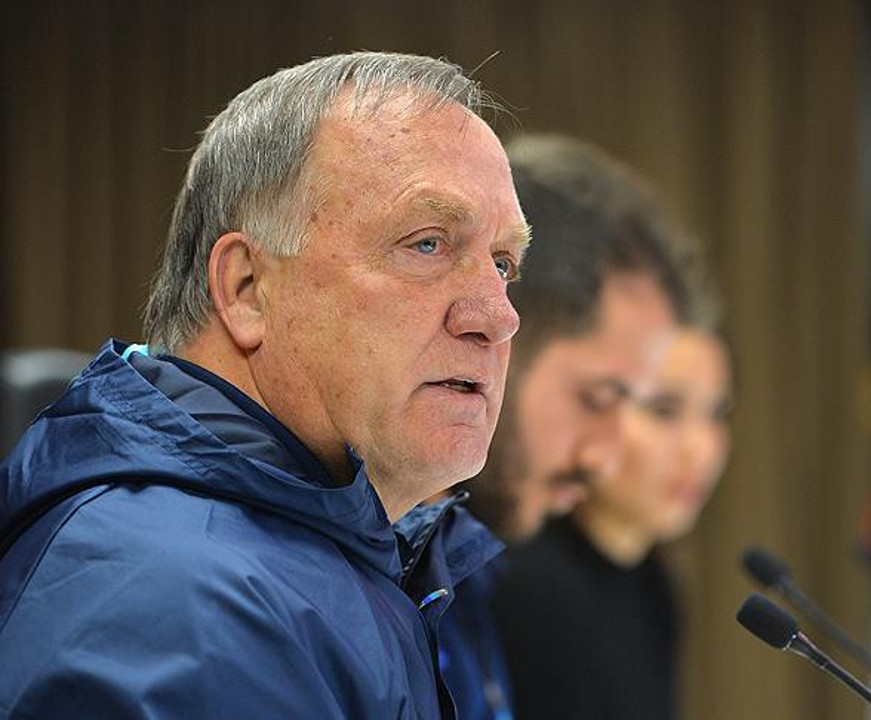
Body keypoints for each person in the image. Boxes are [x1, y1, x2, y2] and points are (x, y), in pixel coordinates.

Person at [0, 51, 527, 718]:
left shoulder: (334, 558)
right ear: (248, 288)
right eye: (427, 243)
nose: (498, 316)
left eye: (503, 263)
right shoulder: (178, 611)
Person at [420, 134, 695, 720]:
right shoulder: (339, 580)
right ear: (498, 336)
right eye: (597, 399)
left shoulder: (459, 570)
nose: (604, 457)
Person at [492, 327, 733, 720]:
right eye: (664, 409)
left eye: (717, 413)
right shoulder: (528, 583)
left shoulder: (653, 584)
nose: (701, 449)